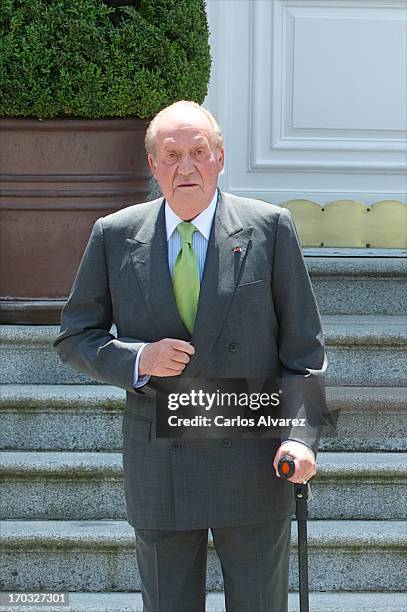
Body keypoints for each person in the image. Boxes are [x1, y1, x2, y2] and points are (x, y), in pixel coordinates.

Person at [54, 100, 326, 612]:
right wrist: (138, 360)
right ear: (152, 165)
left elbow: (304, 352)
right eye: (171, 154)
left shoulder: (270, 227)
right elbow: (75, 336)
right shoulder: (114, 234)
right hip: (161, 463)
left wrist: (301, 436)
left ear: (220, 157)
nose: (185, 167)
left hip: (254, 457)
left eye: (198, 152)